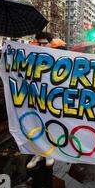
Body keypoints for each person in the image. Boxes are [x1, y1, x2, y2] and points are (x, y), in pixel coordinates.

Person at [26, 32, 56, 169]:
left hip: (52, 98)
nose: (42, 45)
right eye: (40, 43)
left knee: (49, 125)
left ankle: (49, 153)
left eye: (45, 43)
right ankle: (37, 153)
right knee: (35, 124)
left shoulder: (59, 57)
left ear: (51, 43)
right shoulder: (33, 57)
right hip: (35, 96)